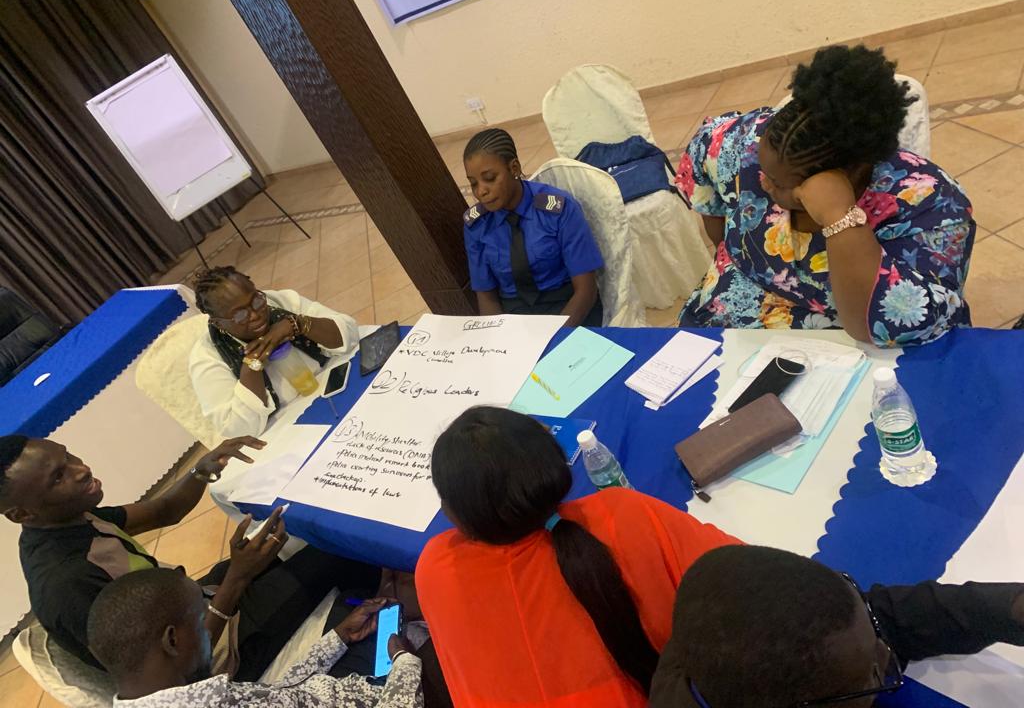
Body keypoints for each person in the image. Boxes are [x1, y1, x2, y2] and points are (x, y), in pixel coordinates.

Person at [415, 407, 739, 707]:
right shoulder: (623, 514)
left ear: (458, 515)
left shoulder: (436, 567)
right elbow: (759, 581)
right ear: (553, 466)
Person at [1, 434, 381, 682]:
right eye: (58, 476)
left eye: (69, 456)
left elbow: (165, 510)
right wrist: (236, 581)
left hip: (198, 604)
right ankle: (381, 641)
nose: (82, 470)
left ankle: (357, 606)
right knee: (347, 551)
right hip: (218, 656)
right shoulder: (68, 583)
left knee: (305, 533)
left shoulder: (73, 516)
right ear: (21, 514)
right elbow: (168, 678)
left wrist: (201, 470)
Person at [676, 45, 975, 347]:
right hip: (738, 311)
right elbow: (702, 165)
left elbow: (890, 326)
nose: (763, 184)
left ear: (850, 174)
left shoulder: (931, 203)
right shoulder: (741, 143)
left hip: (849, 338)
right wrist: (726, 253)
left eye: (781, 184)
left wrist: (839, 218)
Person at [649, 545, 1024, 708]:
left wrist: (1008, 608)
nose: (885, 650)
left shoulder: (728, 637)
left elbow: (886, 617)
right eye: (869, 676)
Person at [87, 567, 422, 707]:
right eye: (200, 615)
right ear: (172, 640)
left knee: (358, 600)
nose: (210, 624)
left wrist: (338, 638)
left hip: (329, 690)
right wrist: (404, 662)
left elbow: (278, 695)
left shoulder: (192, 695)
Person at [189, 266, 360, 438]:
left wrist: (298, 324)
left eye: (256, 301)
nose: (255, 315)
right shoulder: (206, 358)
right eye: (240, 315)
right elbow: (236, 429)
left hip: (334, 387)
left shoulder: (278, 301)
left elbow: (350, 332)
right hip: (289, 429)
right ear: (218, 323)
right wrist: (252, 366)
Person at [462, 128, 604, 327]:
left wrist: (554, 338)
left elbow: (586, 291)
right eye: (473, 183)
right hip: (516, 317)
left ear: (514, 168)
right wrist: (496, 338)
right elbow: (487, 297)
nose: (481, 191)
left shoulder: (558, 210)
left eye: (490, 178)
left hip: (568, 309)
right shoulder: (477, 225)